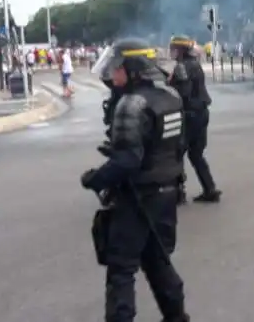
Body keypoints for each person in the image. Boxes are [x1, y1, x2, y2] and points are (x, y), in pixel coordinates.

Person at [82, 38, 189, 322]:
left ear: (133, 68)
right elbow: (177, 147)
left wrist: (96, 178)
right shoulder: (171, 98)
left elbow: (129, 160)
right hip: (166, 194)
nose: (112, 75)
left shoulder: (132, 104)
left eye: (117, 68)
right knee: (158, 263)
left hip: (137, 197)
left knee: (121, 269)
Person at [168, 35, 221, 203]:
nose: (171, 52)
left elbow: (183, 93)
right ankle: (210, 188)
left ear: (179, 50)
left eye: (172, 49)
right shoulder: (195, 64)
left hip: (190, 115)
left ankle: (178, 193)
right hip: (202, 113)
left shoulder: (181, 67)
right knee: (196, 154)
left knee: (176, 153)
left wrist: (169, 86)